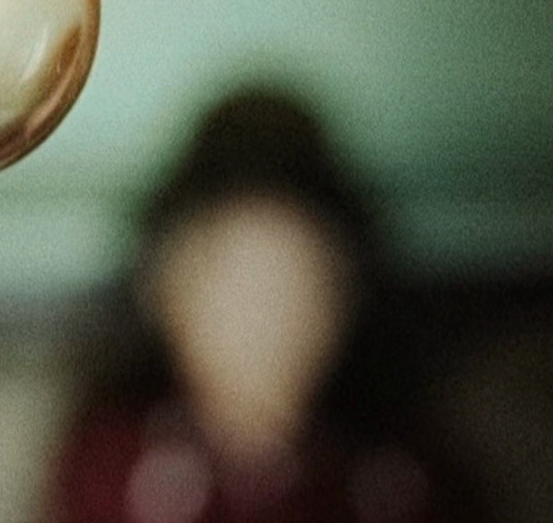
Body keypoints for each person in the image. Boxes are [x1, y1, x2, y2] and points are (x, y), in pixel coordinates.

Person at [43, 88, 486, 523]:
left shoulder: (397, 480)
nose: (262, 328)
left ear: (344, 303)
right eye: (233, 289)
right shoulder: (112, 467)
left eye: (292, 289)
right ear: (162, 292)